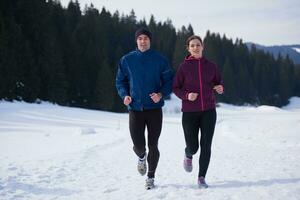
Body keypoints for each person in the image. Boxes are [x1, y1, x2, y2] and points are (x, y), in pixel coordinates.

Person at [115, 28, 173, 190]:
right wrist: (124, 95)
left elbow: (169, 81)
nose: (143, 41)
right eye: (140, 38)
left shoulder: (160, 59)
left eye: (146, 38)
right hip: (135, 109)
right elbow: (120, 81)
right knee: (139, 145)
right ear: (136, 41)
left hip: (154, 109)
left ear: (150, 40)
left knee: (153, 145)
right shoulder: (127, 60)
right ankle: (141, 157)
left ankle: (151, 177)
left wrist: (161, 94)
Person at [173, 35, 224, 188]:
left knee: (206, 145)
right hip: (189, 112)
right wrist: (187, 96)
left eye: (198, 45)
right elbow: (175, 88)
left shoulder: (211, 66)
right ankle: (188, 154)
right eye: (192, 45)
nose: (196, 47)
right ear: (188, 48)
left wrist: (220, 87)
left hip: (209, 110)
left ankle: (201, 177)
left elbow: (219, 82)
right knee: (193, 146)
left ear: (203, 47)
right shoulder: (183, 67)